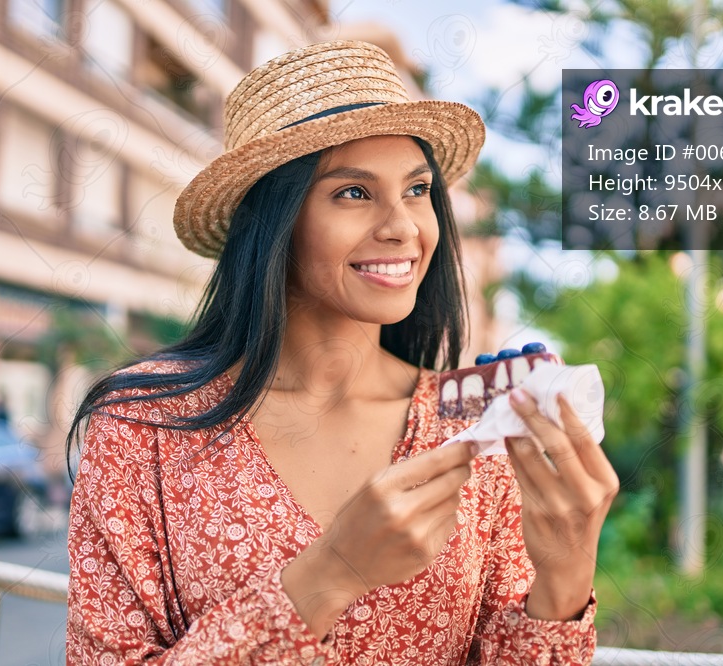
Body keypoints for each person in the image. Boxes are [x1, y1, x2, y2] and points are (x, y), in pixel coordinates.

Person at [65, 40, 618, 664]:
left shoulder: (473, 422)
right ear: (274, 222)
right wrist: (331, 573)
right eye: (353, 193)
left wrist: (566, 580)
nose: (403, 226)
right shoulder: (144, 424)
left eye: (416, 189)